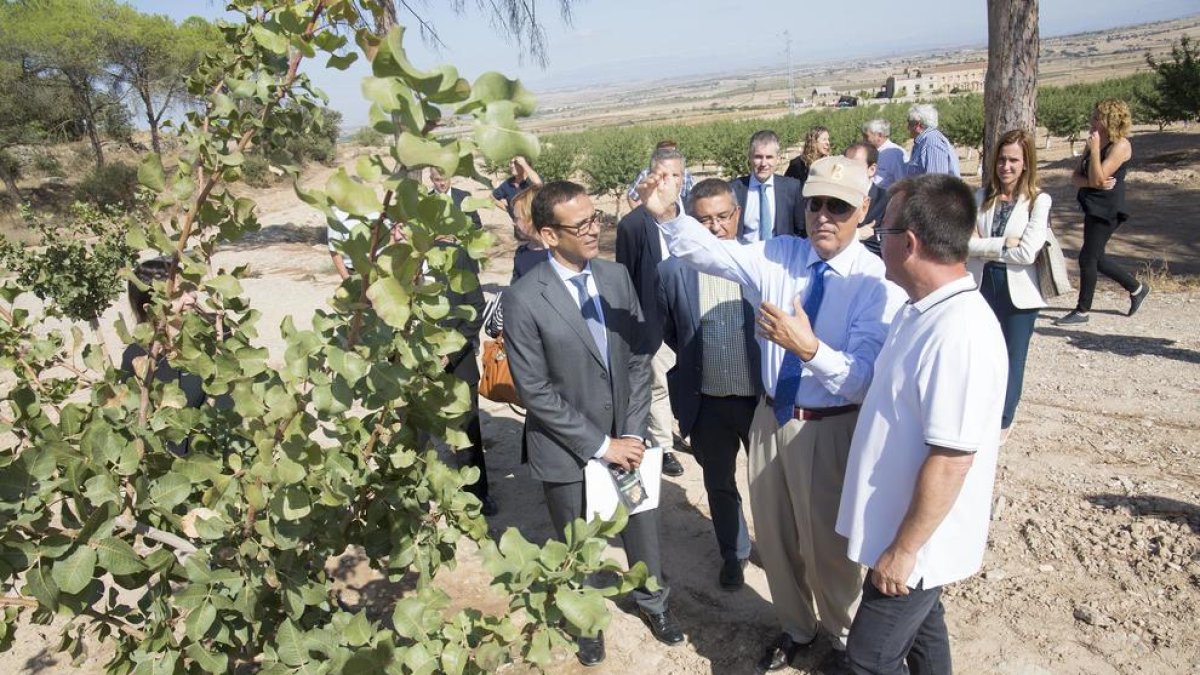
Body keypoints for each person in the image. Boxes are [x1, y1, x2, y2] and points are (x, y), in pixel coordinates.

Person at [640, 156, 904, 672]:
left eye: (839, 206)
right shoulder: (782, 255)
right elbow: (713, 256)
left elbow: (862, 380)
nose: (824, 215)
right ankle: (797, 629)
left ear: (863, 210)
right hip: (771, 419)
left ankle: (848, 641)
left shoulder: (875, 283)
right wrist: (670, 215)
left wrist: (807, 348)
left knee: (831, 549)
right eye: (815, 204)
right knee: (779, 542)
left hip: (830, 430)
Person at [502, 181, 683, 666]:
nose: (593, 230)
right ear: (546, 234)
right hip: (565, 449)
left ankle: (653, 604)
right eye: (579, 225)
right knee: (575, 543)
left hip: (626, 436)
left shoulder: (616, 276)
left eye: (595, 218)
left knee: (641, 528)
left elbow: (638, 358)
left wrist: (629, 432)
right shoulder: (523, 299)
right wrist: (601, 444)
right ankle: (584, 621)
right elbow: (534, 390)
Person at [837, 174, 1008, 675]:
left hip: (916, 544)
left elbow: (952, 459)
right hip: (902, 532)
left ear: (907, 243)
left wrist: (904, 550)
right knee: (924, 630)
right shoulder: (921, 312)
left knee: (870, 658)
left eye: (881, 231)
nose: (875, 239)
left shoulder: (959, 333)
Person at [656, 178, 760, 590]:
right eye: (704, 220)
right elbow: (671, 332)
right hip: (707, 402)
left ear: (736, 215)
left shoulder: (759, 262)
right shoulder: (672, 272)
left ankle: (775, 544)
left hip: (759, 399)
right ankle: (734, 554)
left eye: (722, 217)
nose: (714, 227)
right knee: (719, 483)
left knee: (768, 483)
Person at [967, 129, 1051, 444]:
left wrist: (984, 245)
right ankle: (980, 408)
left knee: (1013, 355)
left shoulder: (1038, 201)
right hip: (982, 284)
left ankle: (1004, 417)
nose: (1006, 166)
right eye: (1001, 159)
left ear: (1026, 163)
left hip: (1019, 291)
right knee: (984, 352)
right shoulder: (981, 197)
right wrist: (1003, 244)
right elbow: (964, 245)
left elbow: (1028, 252)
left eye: (1013, 160)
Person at [617, 147, 688, 478]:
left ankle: (690, 431)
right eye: (661, 175)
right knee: (657, 385)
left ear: (684, 179)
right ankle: (663, 447)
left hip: (691, 318)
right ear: (650, 179)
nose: (668, 182)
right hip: (652, 321)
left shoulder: (695, 219)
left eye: (674, 175)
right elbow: (626, 279)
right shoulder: (632, 226)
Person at [1056, 98, 1149, 325]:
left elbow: (1097, 177)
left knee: (1088, 258)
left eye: (1097, 117)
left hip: (1108, 209)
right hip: (1092, 204)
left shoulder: (1121, 146)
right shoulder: (1094, 142)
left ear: (1110, 120)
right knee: (1097, 257)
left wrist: (1095, 152)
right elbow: (1077, 178)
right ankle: (1136, 288)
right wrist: (1091, 180)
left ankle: (1082, 310)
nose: (1092, 120)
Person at [730, 130, 806, 242]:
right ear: (750, 158)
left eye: (769, 157)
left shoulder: (792, 188)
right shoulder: (734, 190)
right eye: (758, 157)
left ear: (778, 159)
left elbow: (801, 229)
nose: (763, 163)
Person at [845, 142, 889, 257]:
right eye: (845, 165)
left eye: (854, 166)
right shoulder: (835, 198)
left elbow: (886, 244)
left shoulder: (887, 201)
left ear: (872, 169)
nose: (848, 171)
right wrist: (857, 235)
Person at [627, 140, 696, 211]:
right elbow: (632, 196)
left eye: (672, 151)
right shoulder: (646, 173)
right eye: (664, 152)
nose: (668, 155)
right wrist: (640, 216)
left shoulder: (685, 173)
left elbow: (695, 197)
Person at [905, 104, 961, 178]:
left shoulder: (932, 142)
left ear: (918, 124)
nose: (907, 127)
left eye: (909, 122)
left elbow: (935, 182)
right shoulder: (924, 141)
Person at [510, 184, 548, 283]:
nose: (514, 222)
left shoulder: (560, 255)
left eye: (517, 218)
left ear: (532, 218)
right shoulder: (522, 253)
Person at [491, 155, 543, 224]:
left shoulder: (532, 181)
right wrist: (509, 210)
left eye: (516, 163)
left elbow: (538, 184)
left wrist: (524, 164)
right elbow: (492, 198)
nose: (512, 166)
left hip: (536, 226)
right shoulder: (507, 184)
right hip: (519, 228)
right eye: (511, 163)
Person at [429, 166, 482, 230]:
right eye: (437, 180)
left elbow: (477, 225)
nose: (442, 183)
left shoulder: (464, 197)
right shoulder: (425, 201)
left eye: (445, 178)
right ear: (431, 179)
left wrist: (458, 233)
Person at [863, 119, 908, 189]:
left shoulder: (894, 154)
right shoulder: (872, 151)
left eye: (866, 136)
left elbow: (902, 182)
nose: (864, 139)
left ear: (879, 135)